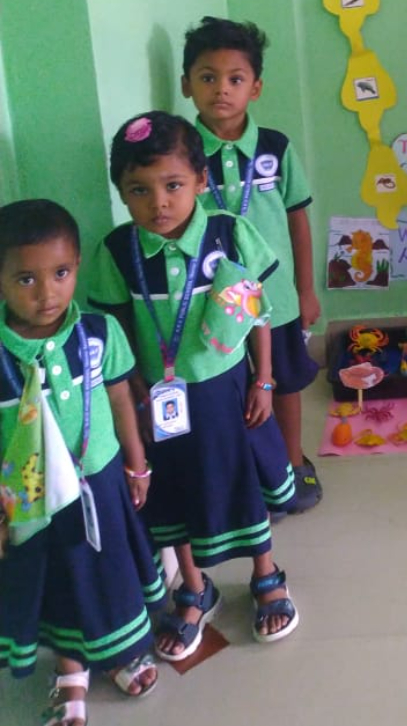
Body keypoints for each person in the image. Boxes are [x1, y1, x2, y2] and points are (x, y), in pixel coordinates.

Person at [91, 112, 299, 660]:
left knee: (241, 481)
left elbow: (257, 311)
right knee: (174, 492)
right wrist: (134, 391)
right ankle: (193, 588)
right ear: (121, 193)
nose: (158, 203)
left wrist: (264, 379)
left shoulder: (228, 234)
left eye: (173, 185)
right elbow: (115, 332)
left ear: (201, 181)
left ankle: (266, 574)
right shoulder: (118, 252)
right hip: (158, 403)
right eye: (139, 190)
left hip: (227, 391)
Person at [0, 199, 165, 726]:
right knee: (60, 581)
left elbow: (120, 399)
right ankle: (71, 669)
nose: (46, 293)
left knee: (109, 571)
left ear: (76, 268)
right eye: (26, 278)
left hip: (101, 481)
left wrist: (136, 464)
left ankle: (118, 652)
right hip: (32, 500)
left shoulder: (98, 332)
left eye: (61, 273)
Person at [181, 16, 323, 515]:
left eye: (235, 78)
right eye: (207, 77)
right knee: (229, 387)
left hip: (275, 295)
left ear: (255, 88)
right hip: (208, 299)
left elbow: (298, 218)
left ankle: (291, 463)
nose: (221, 89)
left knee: (283, 382)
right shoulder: (180, 152)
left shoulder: (275, 147)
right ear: (186, 84)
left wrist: (305, 289)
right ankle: (250, 473)